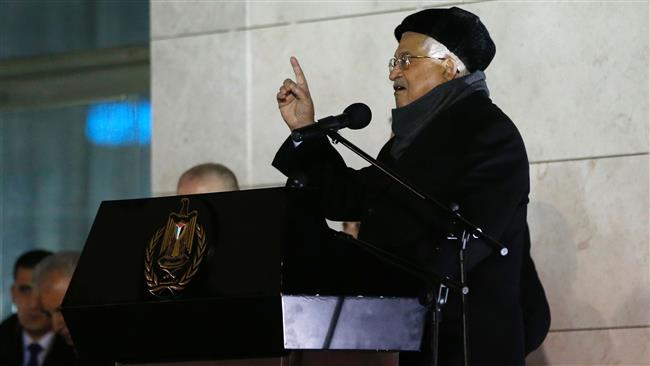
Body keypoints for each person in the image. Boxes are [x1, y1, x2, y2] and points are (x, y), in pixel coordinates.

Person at [272, 7, 549, 366]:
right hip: (420, 341)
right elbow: (353, 198)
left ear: (449, 66)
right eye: (394, 60)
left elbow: (464, 242)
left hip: (471, 347)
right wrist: (305, 131)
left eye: (406, 60)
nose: (392, 72)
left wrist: (371, 269)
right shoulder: (409, 141)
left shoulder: (491, 133)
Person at [0, 249, 76, 366]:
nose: (33, 304)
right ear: (13, 293)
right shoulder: (4, 336)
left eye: (40, 292)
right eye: (25, 290)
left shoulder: (78, 346)